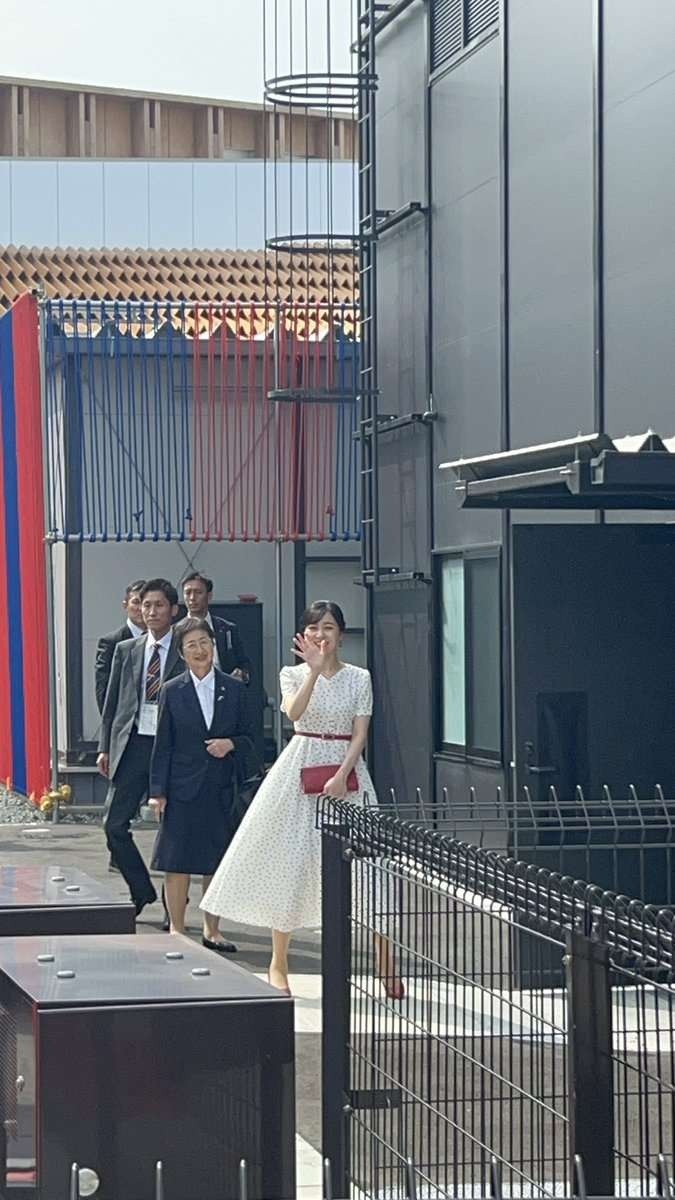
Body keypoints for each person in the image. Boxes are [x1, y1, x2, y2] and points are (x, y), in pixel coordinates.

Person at [201, 600, 403, 999]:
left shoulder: (359, 677)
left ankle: (385, 958)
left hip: (347, 768)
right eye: (313, 628)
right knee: (290, 863)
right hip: (301, 762)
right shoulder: (291, 673)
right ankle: (278, 961)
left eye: (328, 627)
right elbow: (294, 714)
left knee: (369, 865)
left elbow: (360, 733)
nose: (320, 635)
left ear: (341, 634)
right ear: (303, 635)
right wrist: (312, 671)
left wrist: (342, 775)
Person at [148, 618, 257, 954]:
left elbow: (252, 738)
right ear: (182, 653)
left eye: (204, 642)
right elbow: (162, 745)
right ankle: (177, 929)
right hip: (181, 786)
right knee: (177, 860)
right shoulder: (172, 690)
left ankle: (213, 929)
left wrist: (230, 744)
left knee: (216, 860)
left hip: (221, 786)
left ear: (213, 645)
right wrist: (157, 792)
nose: (200, 650)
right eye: (191, 645)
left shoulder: (234, 689)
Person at [97, 578, 183, 915]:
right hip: (133, 743)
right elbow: (113, 702)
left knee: (173, 829)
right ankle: (141, 889)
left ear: (173, 610)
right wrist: (105, 746)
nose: (151, 611)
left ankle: (174, 908)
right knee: (114, 825)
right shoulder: (127, 649)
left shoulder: (185, 647)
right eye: (146, 605)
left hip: (172, 747)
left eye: (159, 605)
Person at [182, 572, 251, 681]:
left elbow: (244, 664)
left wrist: (241, 674)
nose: (192, 598)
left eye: (198, 592)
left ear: (209, 596)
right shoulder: (175, 631)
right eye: (187, 593)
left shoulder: (227, 629)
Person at [94, 579, 146, 714]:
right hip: (124, 720)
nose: (141, 608)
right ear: (125, 605)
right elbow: (103, 690)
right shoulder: (111, 642)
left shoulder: (159, 640)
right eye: (136, 602)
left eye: (145, 603)